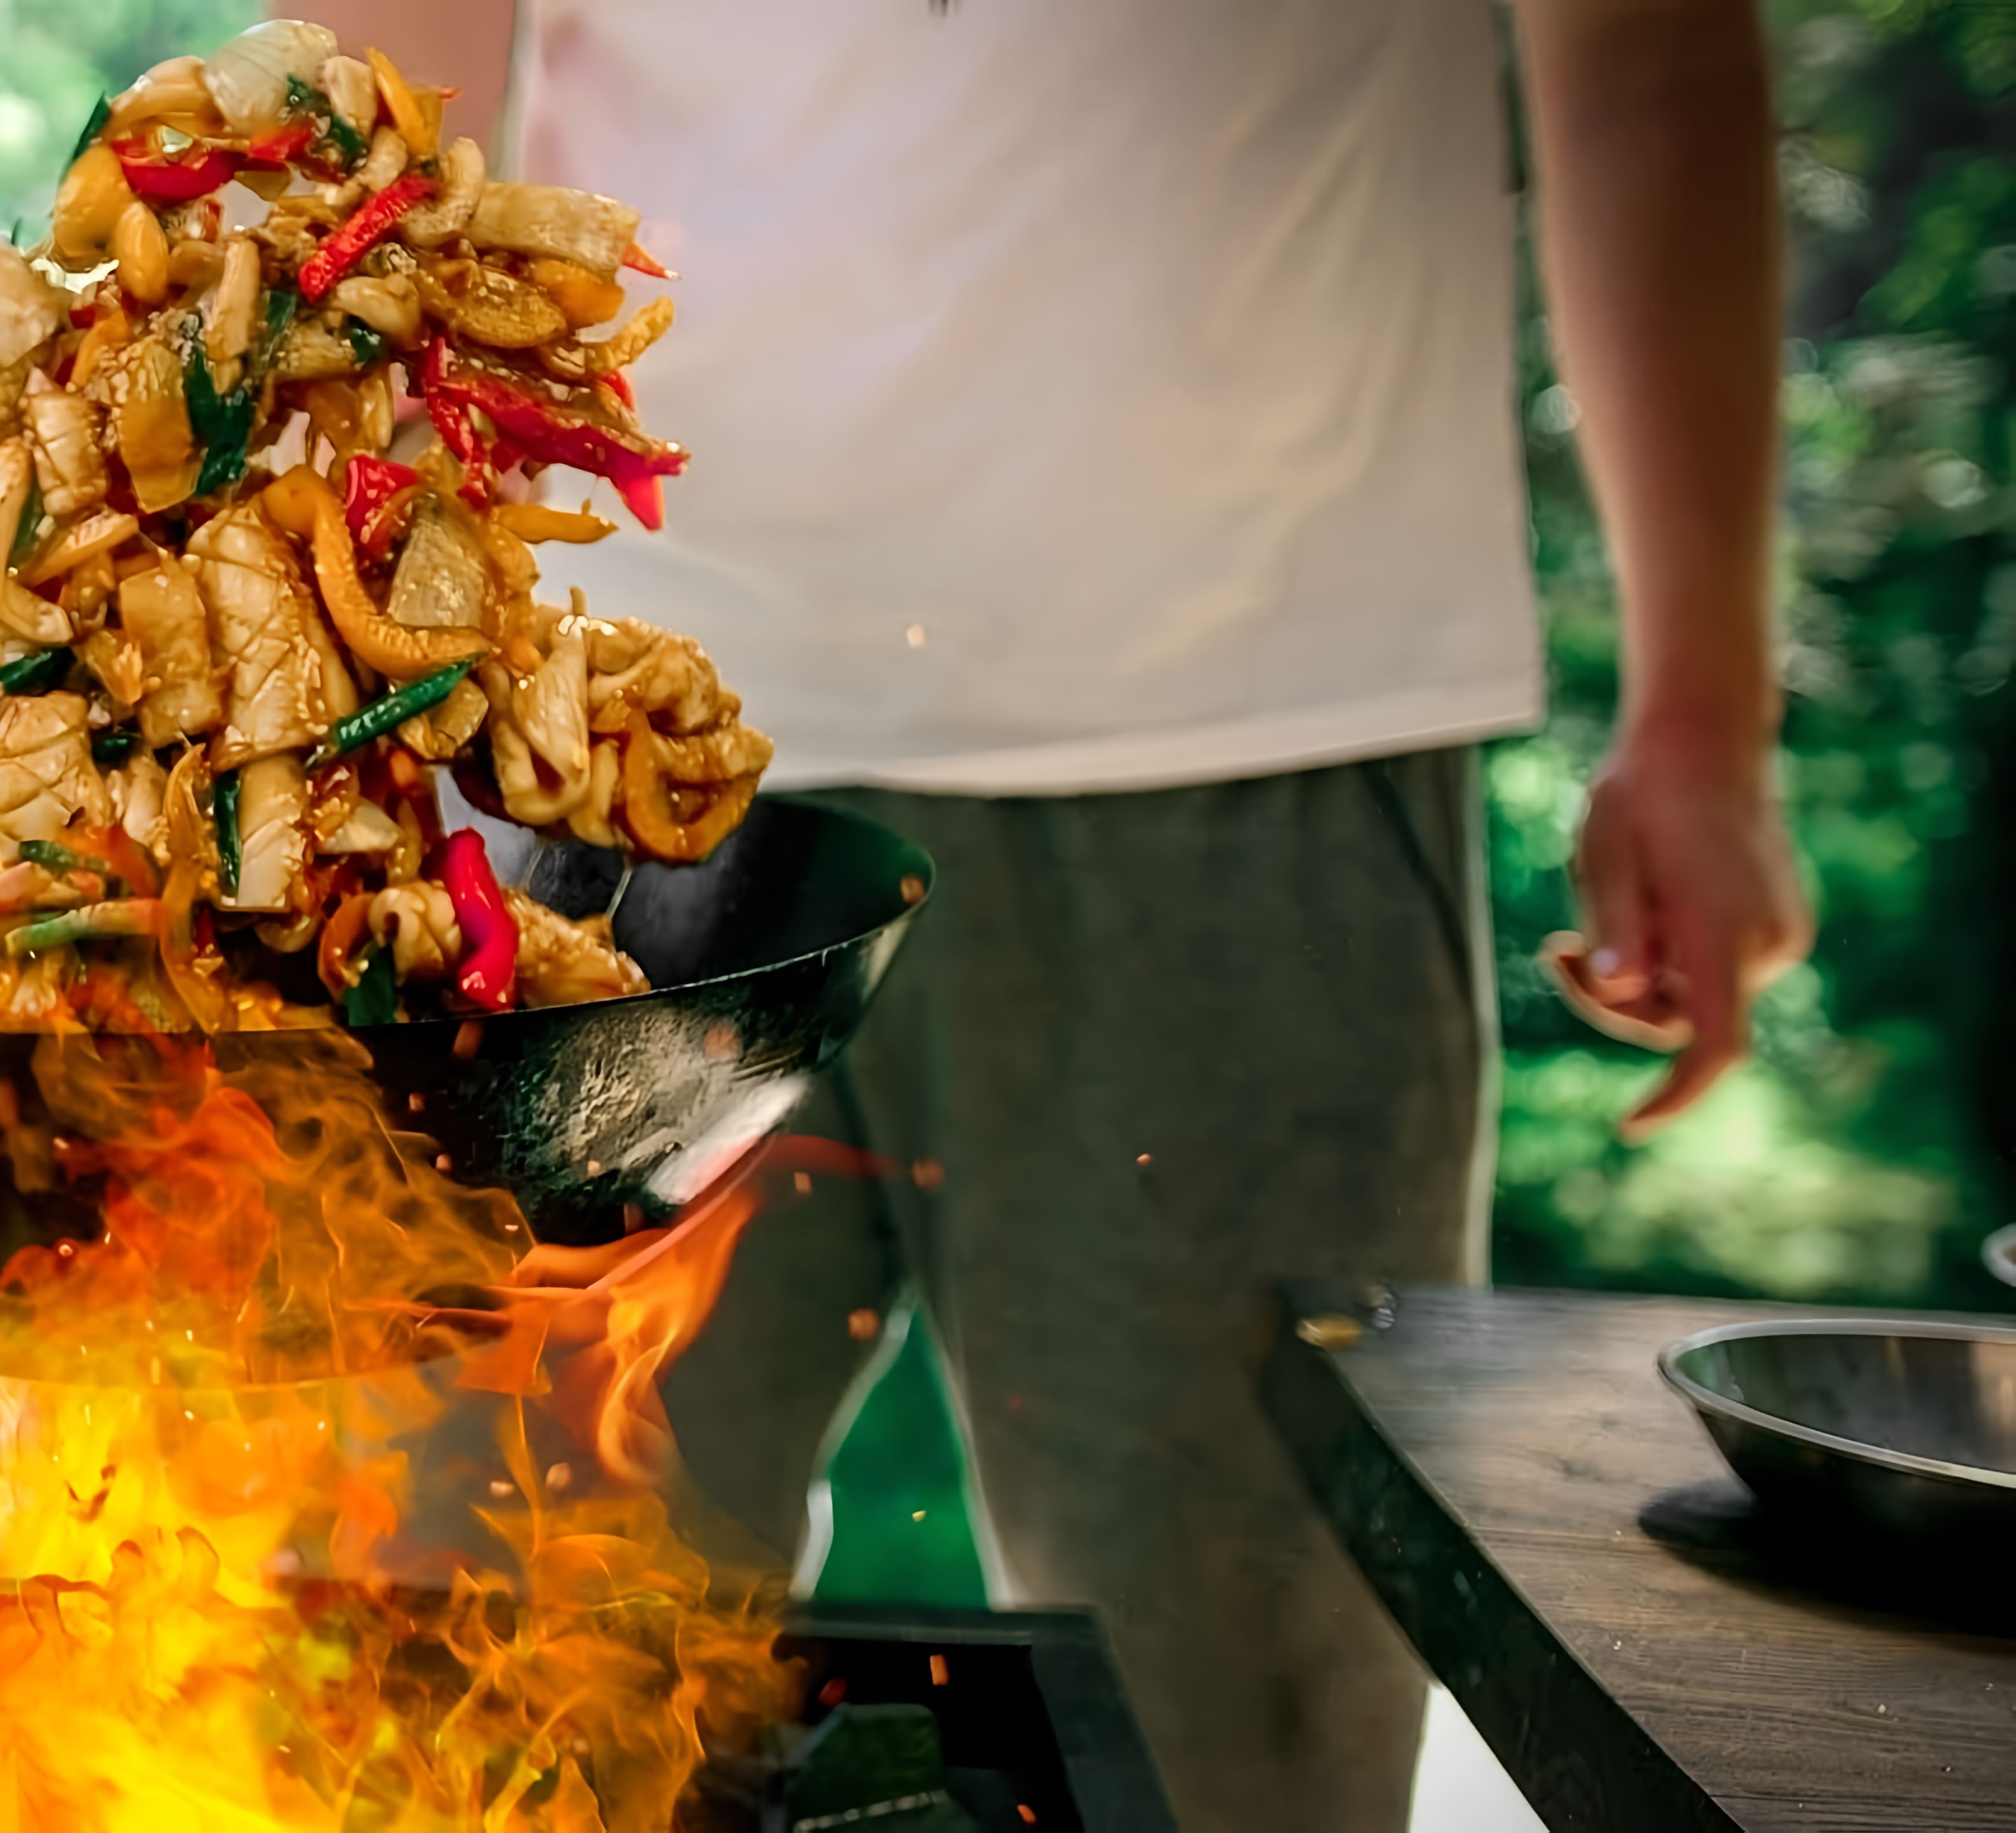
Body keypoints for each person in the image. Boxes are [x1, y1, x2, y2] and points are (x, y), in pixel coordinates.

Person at [296, 1, 1813, 1827]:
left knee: (1238, 1754)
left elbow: (1646, 47)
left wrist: (1709, 713)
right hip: (582, 741)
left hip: (1246, 731)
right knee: (467, 1718)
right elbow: (389, 48)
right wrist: (334, 625)